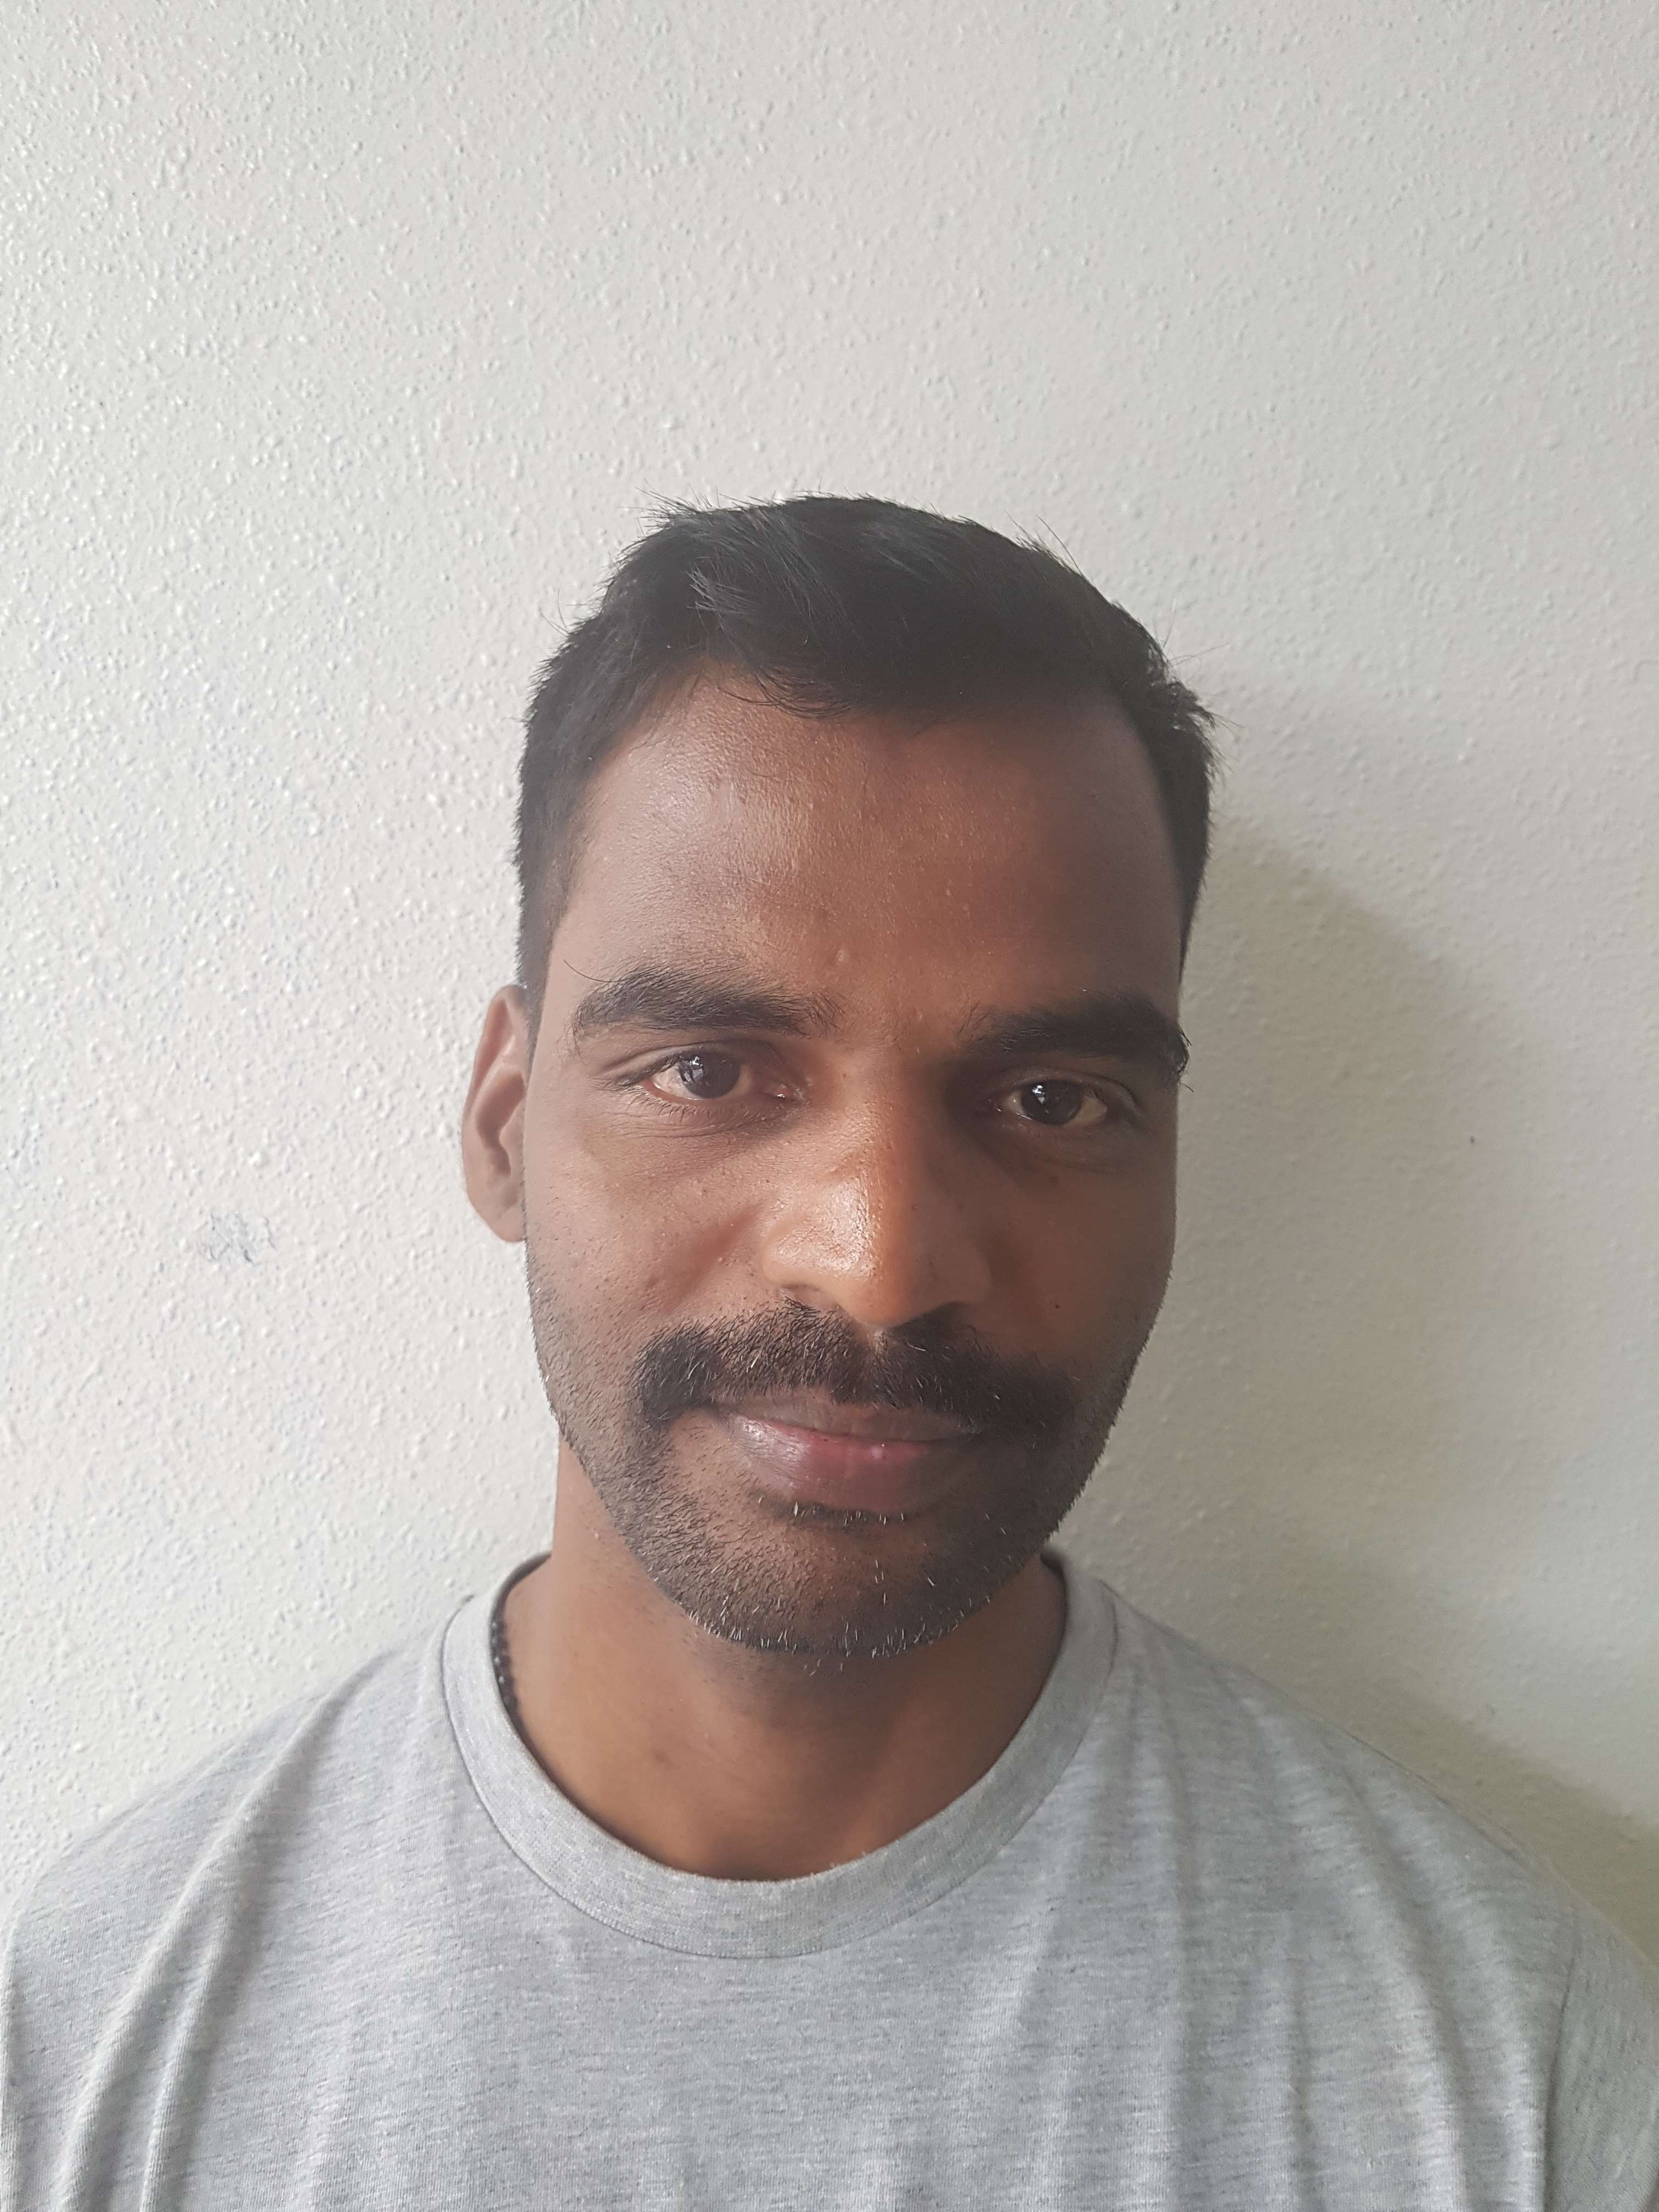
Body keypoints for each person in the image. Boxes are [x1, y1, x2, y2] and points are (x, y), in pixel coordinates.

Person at [4, 497, 1656, 2210]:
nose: (880, 1271)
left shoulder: (1508, 2075)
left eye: (1051, 1100)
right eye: (709, 1072)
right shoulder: (97, 2043)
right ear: (503, 1128)